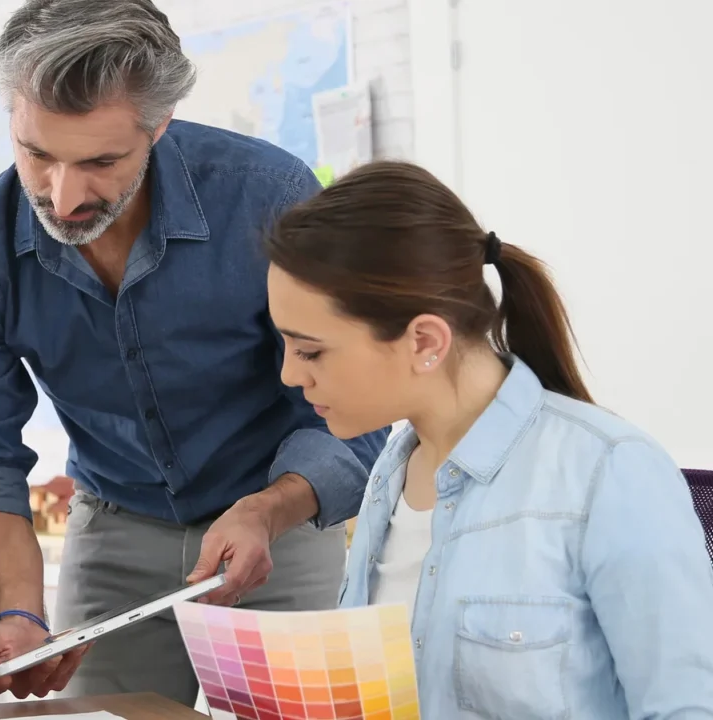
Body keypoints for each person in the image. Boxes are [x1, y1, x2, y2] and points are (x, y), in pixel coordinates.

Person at [0, 0, 388, 705]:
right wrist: (17, 613)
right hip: (113, 525)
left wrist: (267, 511)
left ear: (160, 124)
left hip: (275, 522)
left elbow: (352, 409)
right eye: (37, 154)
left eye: (101, 161)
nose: (63, 195)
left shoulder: (272, 201)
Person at [264, 159, 713, 717]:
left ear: (425, 340)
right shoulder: (389, 474)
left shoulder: (609, 473)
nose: (290, 374)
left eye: (310, 350)